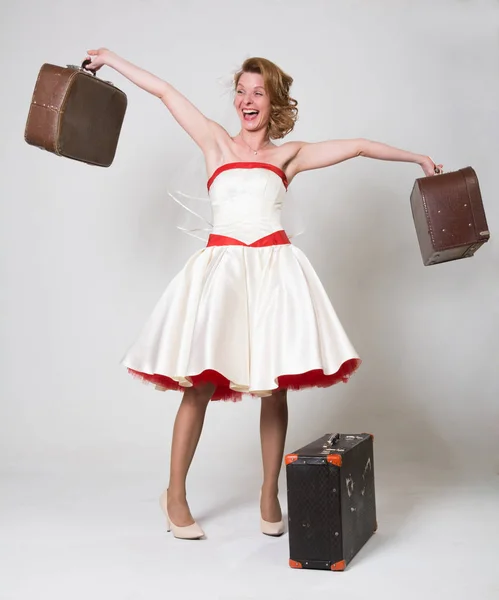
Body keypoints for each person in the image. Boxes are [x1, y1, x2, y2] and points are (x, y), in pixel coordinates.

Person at [84, 48, 443, 540]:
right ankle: (175, 495)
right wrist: (109, 59)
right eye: (241, 91)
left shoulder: (288, 155)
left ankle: (269, 492)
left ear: (274, 102)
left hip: (274, 271)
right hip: (224, 270)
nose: (247, 100)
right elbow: (165, 91)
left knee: (273, 387)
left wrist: (417, 157)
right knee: (199, 384)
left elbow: (358, 145)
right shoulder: (215, 141)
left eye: (258, 92)